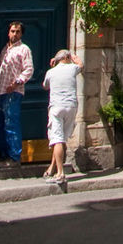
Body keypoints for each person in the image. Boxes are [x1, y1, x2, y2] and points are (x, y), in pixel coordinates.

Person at [0, 21, 34, 168]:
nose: (15, 34)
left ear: (21, 34)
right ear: (8, 33)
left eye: (18, 32)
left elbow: (29, 69)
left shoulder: (24, 49)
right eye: (13, 31)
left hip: (13, 92)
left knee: (11, 125)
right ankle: (3, 155)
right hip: (0, 91)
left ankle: (14, 157)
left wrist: (16, 83)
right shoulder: (5, 49)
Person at [42, 49, 82, 184]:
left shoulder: (51, 72)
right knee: (61, 139)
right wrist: (74, 57)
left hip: (57, 108)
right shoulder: (72, 69)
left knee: (57, 139)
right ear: (67, 57)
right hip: (71, 107)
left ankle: (60, 173)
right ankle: (52, 168)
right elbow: (80, 65)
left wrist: (53, 66)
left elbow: (45, 86)